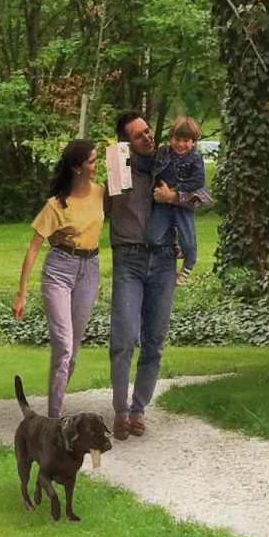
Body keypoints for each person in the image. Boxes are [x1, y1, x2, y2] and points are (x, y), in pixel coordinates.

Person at [105, 111, 191, 440]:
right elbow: (96, 207)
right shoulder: (118, 169)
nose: (148, 137)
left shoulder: (168, 165)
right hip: (128, 258)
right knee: (123, 339)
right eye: (139, 135)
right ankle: (120, 411)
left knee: (154, 342)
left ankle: (138, 409)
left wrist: (175, 198)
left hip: (164, 259)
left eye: (148, 130)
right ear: (126, 143)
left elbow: (199, 198)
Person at [13, 138, 103, 418]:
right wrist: (21, 293)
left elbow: (130, 185)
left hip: (90, 270)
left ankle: (56, 404)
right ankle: (54, 420)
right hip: (59, 272)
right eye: (92, 161)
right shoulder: (56, 205)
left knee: (72, 353)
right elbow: (34, 247)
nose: (96, 165)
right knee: (64, 347)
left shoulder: (101, 192)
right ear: (77, 167)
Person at [154, 116, 210, 284]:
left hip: (182, 204)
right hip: (162, 203)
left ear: (193, 142)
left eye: (186, 141)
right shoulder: (163, 152)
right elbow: (152, 169)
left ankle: (189, 264)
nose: (180, 144)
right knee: (153, 236)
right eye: (177, 139)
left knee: (189, 240)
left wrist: (176, 190)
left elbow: (198, 181)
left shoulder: (195, 158)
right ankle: (175, 243)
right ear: (171, 137)